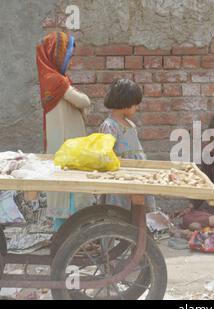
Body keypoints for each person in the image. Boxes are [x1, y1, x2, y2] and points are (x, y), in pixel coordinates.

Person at [36, 32, 94, 231]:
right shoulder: (57, 81)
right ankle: (69, 237)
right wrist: (83, 102)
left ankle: (63, 235)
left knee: (64, 191)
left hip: (62, 142)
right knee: (69, 190)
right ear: (56, 55)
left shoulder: (50, 78)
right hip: (66, 144)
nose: (70, 61)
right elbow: (83, 101)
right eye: (68, 56)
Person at [99, 78, 156, 212]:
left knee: (137, 208)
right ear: (125, 103)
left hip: (136, 175)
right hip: (121, 176)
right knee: (120, 211)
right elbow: (106, 154)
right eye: (135, 104)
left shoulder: (131, 125)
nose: (137, 107)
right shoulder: (110, 126)